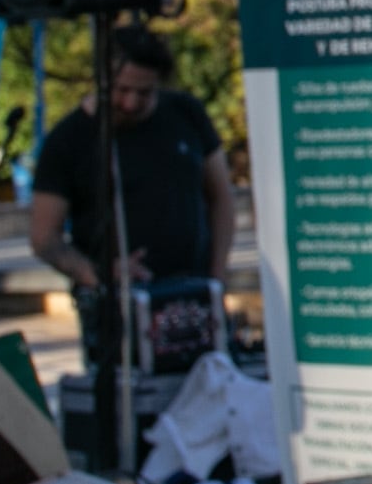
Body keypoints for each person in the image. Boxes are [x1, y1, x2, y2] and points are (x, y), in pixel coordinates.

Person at [29, 25, 235, 298]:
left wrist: (217, 276)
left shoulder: (187, 113)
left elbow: (221, 197)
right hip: (115, 302)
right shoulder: (68, 139)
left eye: (145, 93)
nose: (130, 103)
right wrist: (98, 274)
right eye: (122, 90)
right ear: (102, 79)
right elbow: (44, 238)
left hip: (192, 287)